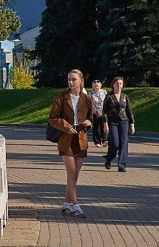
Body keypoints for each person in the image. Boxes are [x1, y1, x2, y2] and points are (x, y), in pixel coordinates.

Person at [47, 69, 93, 218]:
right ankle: (76, 206)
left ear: (81, 81)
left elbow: (91, 118)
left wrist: (89, 123)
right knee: (71, 172)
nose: (71, 82)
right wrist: (66, 126)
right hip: (66, 139)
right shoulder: (61, 97)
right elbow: (53, 118)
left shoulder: (87, 98)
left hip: (81, 139)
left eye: (74, 79)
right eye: (69, 79)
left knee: (75, 174)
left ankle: (66, 205)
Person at [103, 76, 135, 171]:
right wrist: (105, 123)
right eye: (117, 83)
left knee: (124, 143)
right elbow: (104, 111)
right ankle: (109, 158)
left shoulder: (125, 96)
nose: (119, 85)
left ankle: (122, 165)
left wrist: (132, 123)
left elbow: (129, 110)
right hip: (112, 122)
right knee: (115, 143)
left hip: (123, 121)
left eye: (120, 83)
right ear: (113, 85)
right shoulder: (109, 96)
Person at [89, 80, 107, 147]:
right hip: (94, 112)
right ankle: (97, 142)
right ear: (92, 86)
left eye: (97, 85)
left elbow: (107, 101)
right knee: (95, 127)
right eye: (95, 85)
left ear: (100, 85)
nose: (96, 87)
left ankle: (104, 140)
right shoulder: (90, 93)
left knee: (103, 126)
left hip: (103, 112)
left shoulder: (104, 92)